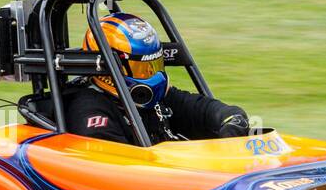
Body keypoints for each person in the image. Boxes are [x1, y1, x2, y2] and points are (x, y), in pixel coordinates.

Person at [62, 12, 248, 143]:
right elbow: (114, 171)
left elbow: (209, 110)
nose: (151, 76)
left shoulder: (156, 98)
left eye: (153, 65)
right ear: (108, 69)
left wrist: (232, 123)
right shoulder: (89, 111)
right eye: (140, 67)